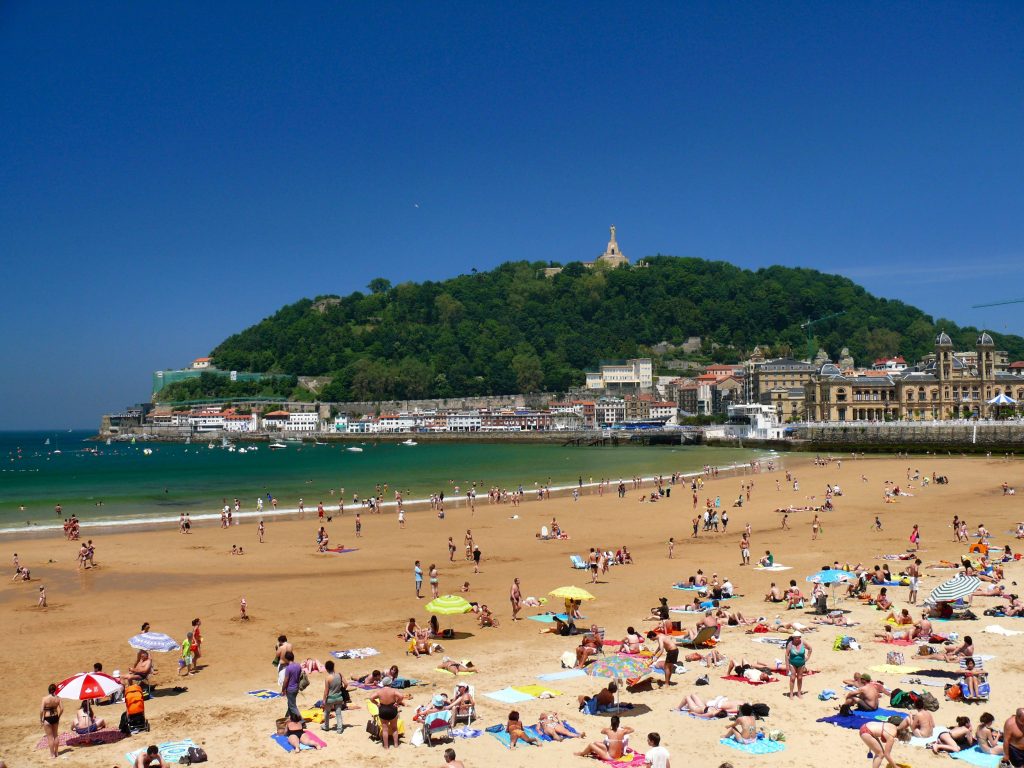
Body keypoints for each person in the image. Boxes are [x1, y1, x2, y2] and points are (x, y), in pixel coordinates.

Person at [322, 659, 349, 733]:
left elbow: (326, 691)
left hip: (330, 698)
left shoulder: (327, 678)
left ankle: (326, 726)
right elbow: (346, 684)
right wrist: (343, 689)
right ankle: (339, 729)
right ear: (333, 667)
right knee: (338, 713)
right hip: (339, 697)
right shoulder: (339, 675)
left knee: (327, 712)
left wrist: (324, 700)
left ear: (326, 668)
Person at [784, 632, 811, 699]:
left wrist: (807, 657)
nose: (797, 639)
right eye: (796, 638)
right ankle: (791, 693)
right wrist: (787, 666)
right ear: (793, 638)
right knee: (792, 678)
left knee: (800, 678)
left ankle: (799, 692)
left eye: (798, 638)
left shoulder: (803, 642)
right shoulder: (790, 644)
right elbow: (786, 655)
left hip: (801, 663)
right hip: (792, 663)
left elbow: (810, 649)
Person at [40, 683, 63, 758]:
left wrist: (41, 719)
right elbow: (62, 709)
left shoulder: (45, 698)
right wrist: (58, 717)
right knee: (56, 735)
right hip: (55, 717)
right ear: (55, 690)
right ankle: (56, 753)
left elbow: (41, 710)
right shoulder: (58, 698)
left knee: (50, 737)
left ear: (48, 690)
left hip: (48, 718)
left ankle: (52, 755)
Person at [281, 651, 302, 719]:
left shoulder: (288, 668)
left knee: (292, 706)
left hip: (290, 689)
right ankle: (287, 717)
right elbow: (299, 678)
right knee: (291, 703)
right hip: (296, 688)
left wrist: (283, 689)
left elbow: (286, 680)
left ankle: (302, 721)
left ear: (287, 659)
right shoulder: (298, 666)